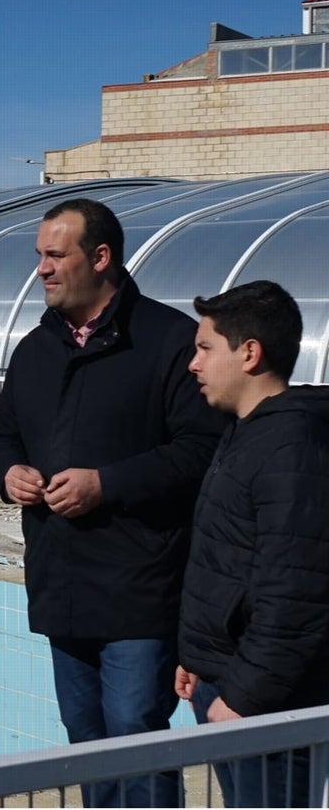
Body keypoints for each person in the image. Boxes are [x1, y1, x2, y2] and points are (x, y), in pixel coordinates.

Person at [0, 198, 227, 807]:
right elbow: (1, 435)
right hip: (62, 584)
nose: (41, 268)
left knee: (134, 734)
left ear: (100, 257)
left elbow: (202, 450)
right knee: (87, 740)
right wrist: (8, 470)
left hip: (140, 587)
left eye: (54, 255)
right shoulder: (36, 349)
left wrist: (105, 484)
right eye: (38, 255)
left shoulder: (168, 342)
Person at [175, 280, 329, 808]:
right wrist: (197, 654)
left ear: (250, 353)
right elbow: (228, 560)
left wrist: (241, 699)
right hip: (224, 681)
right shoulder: (245, 432)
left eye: (204, 348)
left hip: (261, 706)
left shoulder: (289, 449)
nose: (193, 364)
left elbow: (297, 596)